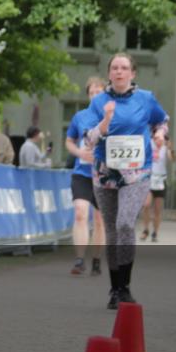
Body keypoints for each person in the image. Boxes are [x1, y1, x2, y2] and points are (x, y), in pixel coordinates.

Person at [85, 53, 168, 309]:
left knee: (124, 224)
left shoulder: (146, 98)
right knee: (111, 231)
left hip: (137, 172)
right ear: (109, 73)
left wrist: (160, 135)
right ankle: (115, 289)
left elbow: (161, 120)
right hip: (105, 173)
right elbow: (89, 138)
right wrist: (106, 120)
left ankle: (126, 286)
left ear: (132, 73)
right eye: (114, 68)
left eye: (124, 68)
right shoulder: (99, 102)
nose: (119, 72)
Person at [64, 76, 106, 277]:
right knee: (80, 213)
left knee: (99, 220)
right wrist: (80, 153)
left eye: (99, 92)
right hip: (81, 173)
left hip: (104, 176)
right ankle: (79, 260)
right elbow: (69, 141)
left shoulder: (113, 118)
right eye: (92, 93)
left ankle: (96, 259)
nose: (95, 96)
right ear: (88, 96)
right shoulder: (80, 117)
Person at [140, 132, 175, 243]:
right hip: (149, 179)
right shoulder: (149, 145)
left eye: (161, 139)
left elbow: (172, 159)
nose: (158, 141)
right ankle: (145, 230)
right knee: (146, 205)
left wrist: (170, 149)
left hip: (161, 181)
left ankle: (155, 232)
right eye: (156, 138)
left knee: (157, 210)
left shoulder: (166, 149)